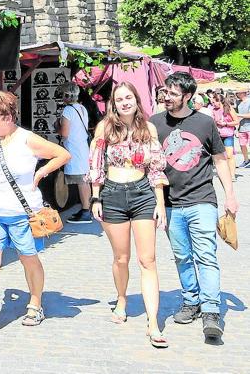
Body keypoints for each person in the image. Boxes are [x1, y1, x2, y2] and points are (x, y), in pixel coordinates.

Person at [0, 91, 70, 337]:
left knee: (28, 258)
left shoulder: (27, 140)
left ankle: (35, 304)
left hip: (22, 215)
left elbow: (63, 154)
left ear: (9, 115)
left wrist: (42, 172)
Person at [150, 72, 238, 340]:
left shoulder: (204, 123)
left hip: (202, 199)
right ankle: (191, 300)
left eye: (173, 94)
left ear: (187, 97)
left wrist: (230, 195)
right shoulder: (155, 124)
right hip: (171, 203)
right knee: (182, 256)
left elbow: (220, 159)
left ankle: (211, 310)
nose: (167, 97)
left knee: (206, 255)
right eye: (165, 92)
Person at [88, 82, 169, 348]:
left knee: (148, 260)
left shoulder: (149, 128)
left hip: (143, 193)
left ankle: (153, 322)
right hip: (112, 194)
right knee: (121, 258)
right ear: (113, 103)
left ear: (136, 99)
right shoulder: (105, 128)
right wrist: (96, 197)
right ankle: (121, 299)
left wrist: (159, 203)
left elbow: (156, 169)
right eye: (119, 99)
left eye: (129, 97)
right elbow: (95, 164)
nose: (124, 102)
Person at [57, 82, 92, 223]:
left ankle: (85, 212)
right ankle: (86, 209)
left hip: (74, 148)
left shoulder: (68, 110)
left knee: (81, 180)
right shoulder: (82, 108)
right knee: (84, 180)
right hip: (82, 147)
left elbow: (65, 133)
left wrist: (57, 127)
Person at [211, 93, 239, 181]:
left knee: (229, 155)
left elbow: (236, 121)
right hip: (218, 135)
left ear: (220, 101)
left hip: (228, 135)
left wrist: (226, 124)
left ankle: (232, 175)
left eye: (215, 102)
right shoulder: (213, 110)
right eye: (212, 102)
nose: (213, 104)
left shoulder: (229, 108)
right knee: (220, 157)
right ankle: (224, 174)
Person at [235, 88, 250, 167]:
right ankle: (246, 160)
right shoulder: (238, 103)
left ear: (243, 93)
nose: (237, 95)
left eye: (238, 93)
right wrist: (237, 128)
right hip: (242, 128)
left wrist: (238, 115)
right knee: (242, 145)